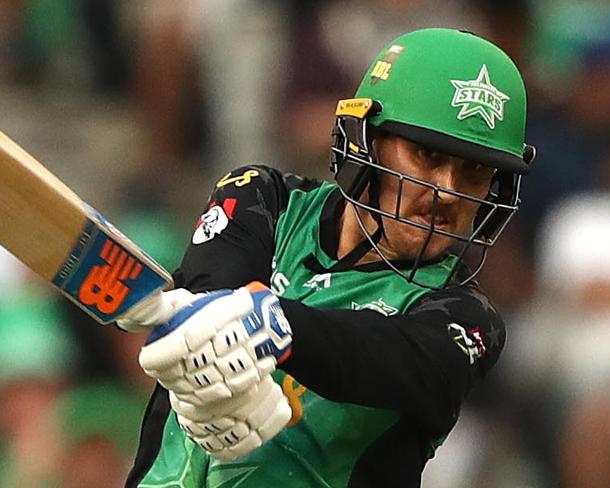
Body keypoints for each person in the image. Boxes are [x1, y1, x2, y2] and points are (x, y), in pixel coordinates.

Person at [119, 28, 535, 488]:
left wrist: (275, 327)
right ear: (365, 140)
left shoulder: (467, 317)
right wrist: (207, 355)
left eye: (475, 171)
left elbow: (383, 360)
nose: (447, 192)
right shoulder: (266, 200)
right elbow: (214, 296)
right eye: (428, 155)